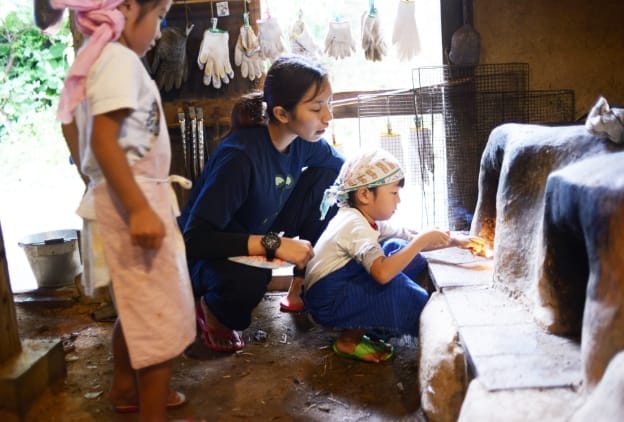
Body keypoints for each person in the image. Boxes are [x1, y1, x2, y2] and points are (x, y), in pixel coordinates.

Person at [54, 0, 195, 420]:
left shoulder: (94, 56)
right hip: (135, 200)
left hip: (120, 196)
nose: (160, 31)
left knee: (136, 307)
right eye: (159, 17)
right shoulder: (118, 59)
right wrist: (137, 209)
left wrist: (93, 180)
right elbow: (103, 140)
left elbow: (69, 122)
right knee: (159, 321)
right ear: (129, 7)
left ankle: (124, 387)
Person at [177, 54, 344, 353]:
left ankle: (299, 286)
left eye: (329, 103)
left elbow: (346, 169)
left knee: (331, 182)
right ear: (282, 113)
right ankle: (210, 309)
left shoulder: (303, 142)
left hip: (257, 226)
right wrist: (274, 244)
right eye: (316, 107)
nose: (328, 116)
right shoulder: (240, 158)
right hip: (209, 251)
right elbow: (195, 240)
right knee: (250, 279)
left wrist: (378, 192)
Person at [304, 149, 482, 363]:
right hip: (326, 302)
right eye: (394, 193)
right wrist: (421, 241)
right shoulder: (354, 225)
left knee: (397, 246)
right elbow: (382, 274)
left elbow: (408, 236)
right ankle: (349, 342)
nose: (398, 200)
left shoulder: (364, 218)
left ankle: (369, 326)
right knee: (400, 291)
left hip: (338, 287)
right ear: (364, 195)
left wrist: (456, 240)